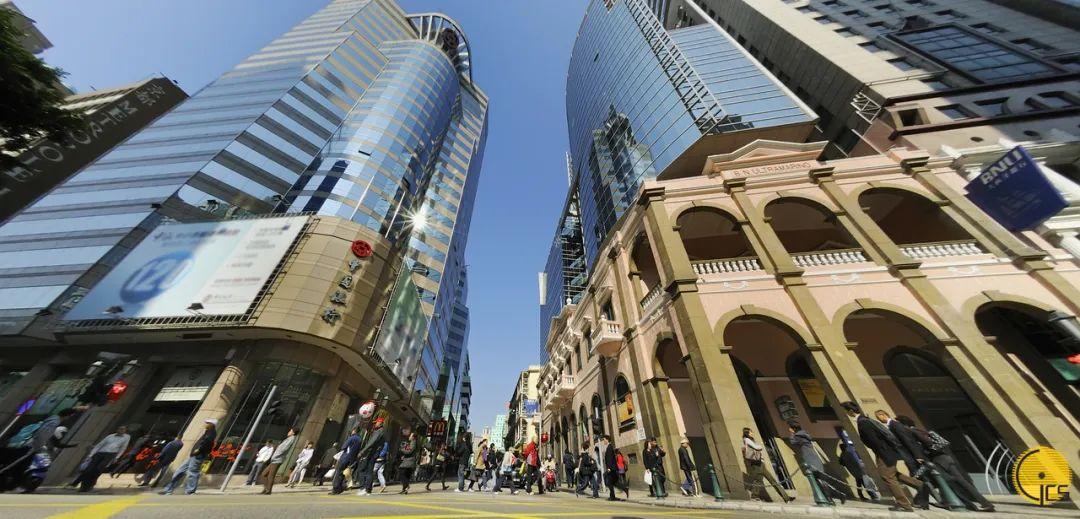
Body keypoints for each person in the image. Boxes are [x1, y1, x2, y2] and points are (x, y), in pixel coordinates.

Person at [896, 416, 994, 513]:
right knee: (960, 482)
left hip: (938, 460)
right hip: (946, 458)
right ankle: (985, 503)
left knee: (946, 481)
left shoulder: (913, 432)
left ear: (903, 424)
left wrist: (926, 451)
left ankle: (958, 503)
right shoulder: (923, 431)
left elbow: (928, 443)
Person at [841, 401, 919, 512]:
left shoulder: (863, 422)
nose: (846, 413)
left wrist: (882, 455)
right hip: (886, 452)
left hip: (884, 453)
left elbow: (875, 441)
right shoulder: (865, 419)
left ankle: (904, 504)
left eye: (845, 411)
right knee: (893, 475)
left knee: (887, 477)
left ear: (851, 411)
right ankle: (921, 485)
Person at [877, 410, 936, 509]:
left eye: (878, 416)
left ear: (883, 415)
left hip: (910, 456)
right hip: (908, 456)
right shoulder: (892, 425)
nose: (878, 419)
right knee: (917, 478)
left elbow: (907, 441)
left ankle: (922, 502)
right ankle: (921, 502)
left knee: (917, 477)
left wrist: (917, 455)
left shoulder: (895, 425)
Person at [786, 421, 845, 505]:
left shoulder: (798, 436)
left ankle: (833, 498)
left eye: (790, 428)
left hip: (810, 458)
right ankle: (834, 497)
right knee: (820, 479)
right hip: (814, 458)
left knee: (819, 480)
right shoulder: (804, 434)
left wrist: (791, 433)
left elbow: (793, 442)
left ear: (793, 428)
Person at [161, 418, 217, 495]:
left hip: (198, 456)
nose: (206, 424)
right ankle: (168, 489)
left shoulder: (211, 433)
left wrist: (199, 450)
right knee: (180, 470)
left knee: (193, 472)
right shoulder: (208, 432)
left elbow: (207, 443)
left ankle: (190, 491)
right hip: (194, 455)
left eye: (207, 423)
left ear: (211, 424)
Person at [72, 425, 131, 492]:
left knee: (98, 470)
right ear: (117, 429)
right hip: (100, 453)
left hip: (110, 454)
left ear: (125, 431)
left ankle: (90, 485)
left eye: (123, 429)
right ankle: (82, 486)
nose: (121, 430)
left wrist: (117, 457)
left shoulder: (126, 437)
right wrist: (91, 455)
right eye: (120, 429)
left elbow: (123, 448)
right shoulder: (110, 436)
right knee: (89, 469)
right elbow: (99, 445)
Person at [741, 428, 792, 502]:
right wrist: (761, 446)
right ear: (747, 433)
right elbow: (756, 447)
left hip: (760, 463)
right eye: (750, 432)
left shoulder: (750, 440)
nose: (752, 433)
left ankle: (786, 498)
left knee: (768, 480)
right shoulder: (747, 440)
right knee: (760, 480)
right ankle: (754, 496)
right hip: (757, 464)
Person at [355, 417, 387, 496]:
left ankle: (363, 488)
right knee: (369, 470)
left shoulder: (378, 431)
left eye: (376, 423)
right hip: (374, 453)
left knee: (362, 470)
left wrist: (362, 451)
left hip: (371, 453)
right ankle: (368, 489)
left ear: (380, 423)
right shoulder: (381, 432)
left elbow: (371, 442)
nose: (375, 424)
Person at [330, 427, 361, 495]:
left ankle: (335, 488)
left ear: (354, 431)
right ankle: (340, 487)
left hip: (345, 457)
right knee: (344, 473)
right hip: (352, 458)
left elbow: (344, 447)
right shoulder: (359, 439)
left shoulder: (351, 438)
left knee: (338, 473)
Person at [601, 436, 622, 501]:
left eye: (604, 439)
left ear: (607, 440)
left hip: (611, 468)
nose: (603, 441)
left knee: (610, 482)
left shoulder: (609, 447)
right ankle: (612, 496)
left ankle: (613, 496)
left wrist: (609, 468)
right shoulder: (609, 447)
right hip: (611, 468)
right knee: (611, 482)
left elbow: (610, 458)